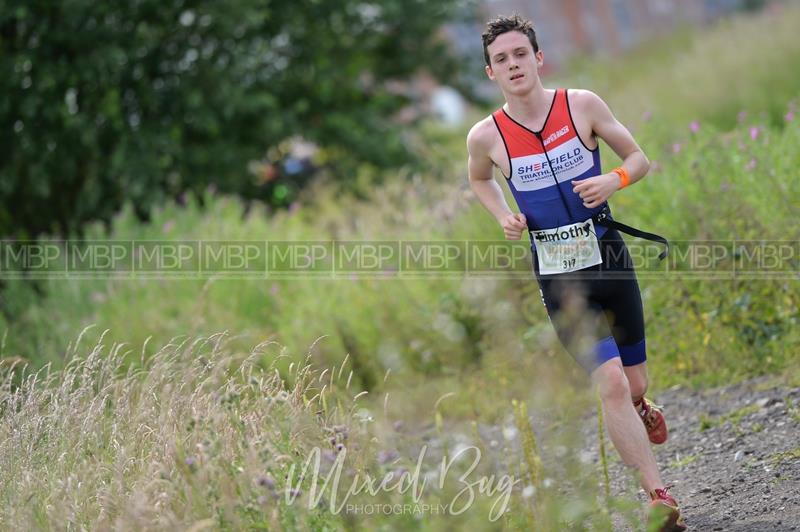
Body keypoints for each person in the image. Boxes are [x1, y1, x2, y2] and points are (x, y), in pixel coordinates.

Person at [466, 14, 685, 532]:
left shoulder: (581, 105)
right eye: (502, 60)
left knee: (633, 381)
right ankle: (658, 497)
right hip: (558, 275)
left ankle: (641, 403)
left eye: (521, 54)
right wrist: (503, 215)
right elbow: (479, 180)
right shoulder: (485, 136)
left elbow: (639, 157)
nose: (514, 65)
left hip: (608, 258)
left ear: (538, 58)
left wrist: (614, 179)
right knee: (608, 381)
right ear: (490, 72)